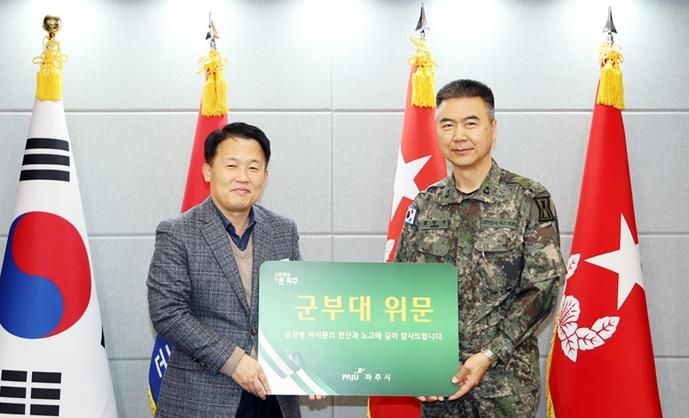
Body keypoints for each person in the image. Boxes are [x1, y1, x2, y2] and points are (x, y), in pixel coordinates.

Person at [395, 79, 566, 417]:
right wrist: (416, 363)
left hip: (505, 386)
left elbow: (542, 290)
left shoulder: (528, 198)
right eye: (448, 125)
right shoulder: (425, 204)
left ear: (493, 128)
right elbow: (402, 288)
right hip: (439, 380)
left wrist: (489, 354)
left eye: (470, 123)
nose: (459, 135)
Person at [147, 122, 302, 418]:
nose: (243, 177)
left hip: (275, 397)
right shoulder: (177, 233)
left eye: (253, 168)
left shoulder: (283, 230)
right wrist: (235, 362)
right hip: (203, 398)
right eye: (232, 165)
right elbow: (168, 313)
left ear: (265, 176)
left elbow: (297, 304)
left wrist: (313, 365)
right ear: (208, 171)